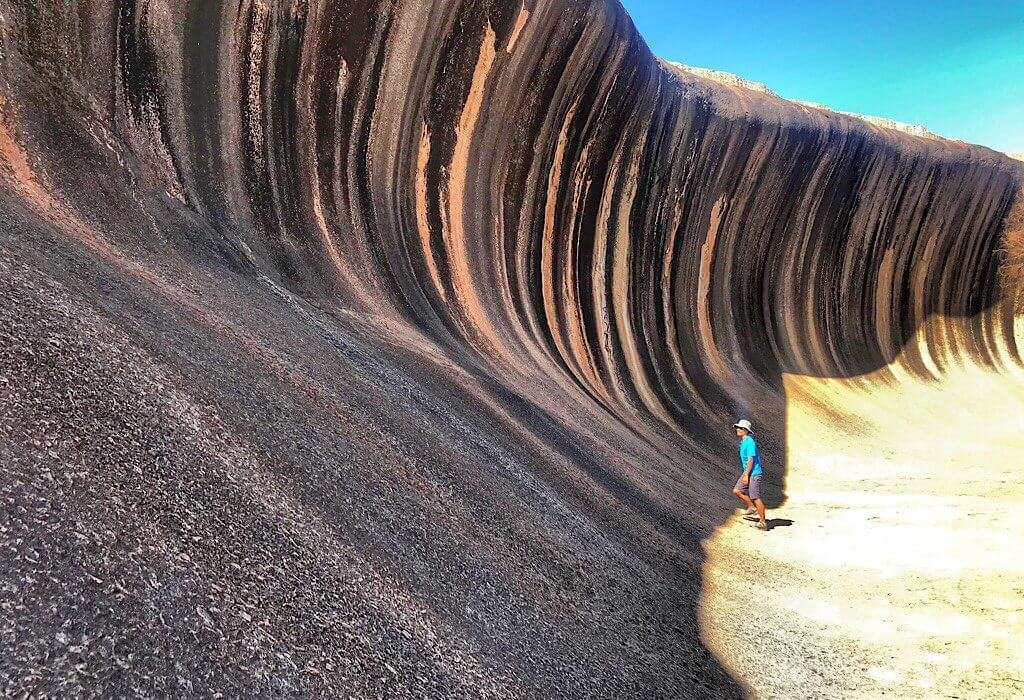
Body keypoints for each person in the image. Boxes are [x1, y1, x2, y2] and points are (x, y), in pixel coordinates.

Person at [731, 419, 767, 530]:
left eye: (741, 428)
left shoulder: (749, 442)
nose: (738, 429)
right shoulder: (743, 442)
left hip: (754, 473)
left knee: (755, 497)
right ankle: (751, 507)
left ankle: (763, 522)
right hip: (748, 472)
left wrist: (746, 474)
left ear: (746, 431)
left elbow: (751, 459)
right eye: (738, 427)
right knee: (737, 490)